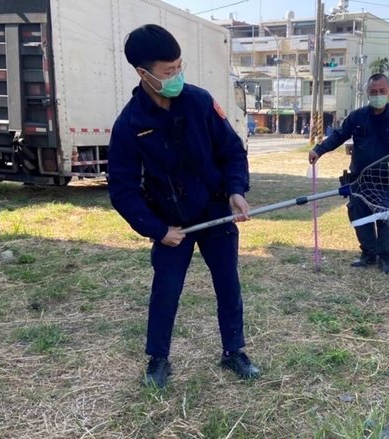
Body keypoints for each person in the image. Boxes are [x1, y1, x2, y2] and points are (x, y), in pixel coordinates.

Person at [108, 24, 260, 389]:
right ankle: (158, 359)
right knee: (167, 288)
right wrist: (158, 230)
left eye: (179, 67)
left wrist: (236, 190)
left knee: (228, 283)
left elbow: (232, 152)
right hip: (170, 222)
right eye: (168, 71)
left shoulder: (200, 102)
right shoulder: (130, 124)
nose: (176, 76)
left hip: (215, 212)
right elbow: (123, 190)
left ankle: (234, 351)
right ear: (143, 73)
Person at [308, 73, 389, 274]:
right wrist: (318, 150)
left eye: (382, 91)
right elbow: (339, 136)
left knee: (385, 218)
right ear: (368, 93)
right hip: (359, 179)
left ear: (388, 91)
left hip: (385, 180)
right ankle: (368, 254)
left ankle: (386, 258)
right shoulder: (357, 117)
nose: (378, 95)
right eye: (373, 92)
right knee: (360, 217)